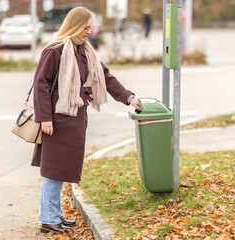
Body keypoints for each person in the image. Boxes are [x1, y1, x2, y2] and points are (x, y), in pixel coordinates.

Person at [31, 6, 143, 233]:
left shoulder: (84, 51)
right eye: (85, 27)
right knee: (53, 171)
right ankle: (48, 218)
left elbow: (105, 76)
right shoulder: (54, 51)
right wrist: (45, 118)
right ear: (73, 26)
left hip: (74, 119)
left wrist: (128, 97)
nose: (88, 32)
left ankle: (54, 215)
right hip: (56, 119)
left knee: (60, 170)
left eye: (89, 28)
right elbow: (40, 85)